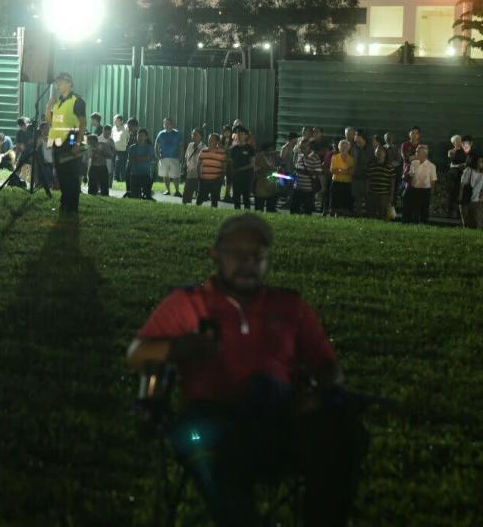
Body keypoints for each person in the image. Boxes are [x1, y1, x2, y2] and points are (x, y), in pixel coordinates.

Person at [127, 214, 368, 527]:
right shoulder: (189, 303)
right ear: (215, 254)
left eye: (257, 255)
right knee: (222, 452)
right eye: (237, 254)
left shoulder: (290, 306)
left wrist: (319, 393)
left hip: (279, 417)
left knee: (341, 429)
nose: (247, 262)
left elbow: (328, 368)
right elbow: (137, 354)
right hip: (213, 420)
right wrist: (182, 349)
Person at [45, 72, 87, 214]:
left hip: (71, 140)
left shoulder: (77, 101)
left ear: (69, 83)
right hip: (57, 142)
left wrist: (77, 143)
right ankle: (65, 203)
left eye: (60, 82)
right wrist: (48, 107)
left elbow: (82, 123)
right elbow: (51, 122)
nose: (58, 85)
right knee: (61, 174)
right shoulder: (57, 103)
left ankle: (72, 206)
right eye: (57, 83)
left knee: (71, 175)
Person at [403, 144, 436, 224]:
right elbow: (410, 174)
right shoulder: (414, 163)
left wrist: (431, 192)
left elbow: (433, 181)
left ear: (424, 154)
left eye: (417, 152)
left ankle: (424, 224)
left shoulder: (431, 166)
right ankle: (413, 223)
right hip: (414, 189)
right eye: (416, 151)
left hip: (425, 191)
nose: (415, 153)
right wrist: (408, 174)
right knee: (414, 209)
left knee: (424, 209)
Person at [291, 141, 323, 215]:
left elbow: (318, 172)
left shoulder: (315, 157)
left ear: (309, 147)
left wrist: (304, 172)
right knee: (294, 208)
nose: (302, 149)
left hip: (308, 189)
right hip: (297, 187)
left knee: (307, 209)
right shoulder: (299, 155)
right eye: (301, 147)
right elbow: (296, 168)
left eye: (304, 148)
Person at [365, 146, 396, 220]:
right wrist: (367, 191)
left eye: (380, 152)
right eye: (377, 152)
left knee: (383, 214)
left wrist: (391, 195)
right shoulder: (371, 165)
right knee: (371, 213)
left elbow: (392, 182)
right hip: (372, 193)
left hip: (384, 194)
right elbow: (368, 180)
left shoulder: (390, 167)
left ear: (385, 153)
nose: (378, 153)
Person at [197, 133, 227, 208]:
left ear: (217, 142)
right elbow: (198, 165)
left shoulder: (222, 152)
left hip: (216, 180)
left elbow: (224, 167)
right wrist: (199, 176)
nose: (210, 142)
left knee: (214, 200)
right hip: (204, 179)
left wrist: (221, 178)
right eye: (209, 140)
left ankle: (213, 213)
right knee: (200, 199)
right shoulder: (203, 151)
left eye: (212, 140)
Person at [155, 117, 182, 197]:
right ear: (163, 125)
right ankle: (168, 190)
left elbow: (181, 146)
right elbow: (156, 145)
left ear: (172, 124)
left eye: (169, 123)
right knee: (165, 175)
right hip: (163, 158)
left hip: (175, 157)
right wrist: (157, 155)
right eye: (165, 123)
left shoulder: (177, 133)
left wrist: (180, 156)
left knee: (175, 176)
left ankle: (177, 191)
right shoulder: (161, 133)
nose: (167, 125)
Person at [228, 130, 256, 210]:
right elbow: (231, 162)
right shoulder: (234, 149)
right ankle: (237, 213)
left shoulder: (250, 148)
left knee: (246, 196)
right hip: (236, 176)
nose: (239, 136)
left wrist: (239, 169)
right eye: (238, 135)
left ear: (245, 136)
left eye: (241, 135)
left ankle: (247, 215)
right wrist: (232, 170)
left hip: (247, 176)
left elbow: (252, 164)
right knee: (236, 196)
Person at [328, 140, 355, 217]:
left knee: (345, 203)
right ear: (339, 148)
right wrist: (346, 171)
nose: (343, 148)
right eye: (342, 147)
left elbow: (352, 172)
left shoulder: (352, 159)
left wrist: (340, 170)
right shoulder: (335, 157)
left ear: (349, 148)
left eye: (345, 147)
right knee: (335, 203)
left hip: (347, 183)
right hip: (336, 182)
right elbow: (333, 170)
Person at [127, 128, 155, 200]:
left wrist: (136, 158)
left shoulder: (149, 147)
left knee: (147, 197)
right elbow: (131, 160)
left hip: (146, 175)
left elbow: (148, 158)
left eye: (142, 135)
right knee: (134, 197)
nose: (140, 137)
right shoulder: (132, 147)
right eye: (138, 135)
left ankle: (148, 193)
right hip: (134, 175)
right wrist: (143, 157)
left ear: (146, 137)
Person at [253, 142, 280, 213]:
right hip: (261, 185)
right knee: (259, 208)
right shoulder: (259, 156)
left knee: (270, 208)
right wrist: (265, 169)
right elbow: (255, 169)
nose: (272, 151)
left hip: (271, 185)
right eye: (270, 149)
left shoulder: (274, 156)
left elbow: (278, 166)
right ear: (265, 150)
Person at [447, 135, 468, 219]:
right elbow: (450, 164)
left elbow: (468, 162)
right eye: (457, 141)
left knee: (463, 192)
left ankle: (462, 214)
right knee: (454, 192)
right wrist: (459, 165)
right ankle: (453, 212)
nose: (459, 142)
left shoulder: (466, 151)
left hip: (464, 174)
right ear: (453, 142)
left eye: (460, 140)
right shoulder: (451, 152)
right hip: (455, 175)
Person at [459, 155, 483, 228]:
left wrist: (481, 197)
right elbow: (462, 185)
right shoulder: (469, 170)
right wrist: (460, 196)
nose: (482, 163)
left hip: (477, 201)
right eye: (481, 161)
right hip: (466, 200)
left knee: (478, 223)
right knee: (466, 223)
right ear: (476, 162)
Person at [182, 128, 204, 205]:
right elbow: (186, 157)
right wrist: (185, 168)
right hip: (190, 173)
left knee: (199, 194)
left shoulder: (203, 148)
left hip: (199, 173)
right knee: (186, 194)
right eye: (192, 134)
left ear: (201, 136)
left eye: (196, 134)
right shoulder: (190, 145)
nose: (193, 136)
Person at [111, 114, 128, 182]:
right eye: (114, 120)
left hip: (122, 150)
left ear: (121, 121)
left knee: (120, 164)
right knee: (115, 164)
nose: (115, 121)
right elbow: (112, 138)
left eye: (116, 120)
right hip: (114, 150)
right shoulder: (113, 128)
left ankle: (121, 178)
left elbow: (128, 137)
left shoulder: (126, 127)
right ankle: (116, 178)